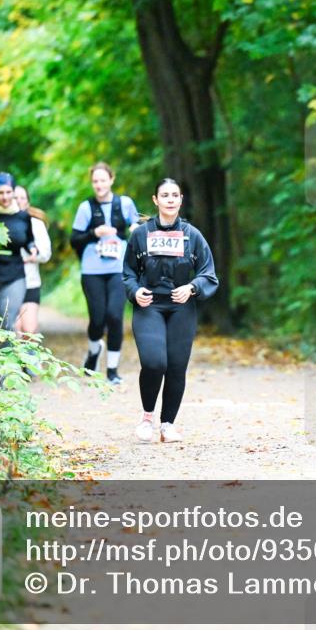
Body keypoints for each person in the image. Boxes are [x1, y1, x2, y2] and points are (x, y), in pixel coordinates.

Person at [122, 177, 218, 443]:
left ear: (181, 200)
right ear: (156, 200)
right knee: (155, 362)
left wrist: (192, 288)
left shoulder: (192, 235)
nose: (170, 200)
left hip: (181, 307)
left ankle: (167, 425)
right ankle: (147, 418)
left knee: (176, 366)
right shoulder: (140, 234)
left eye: (175, 195)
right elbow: (128, 273)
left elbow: (209, 274)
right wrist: (135, 291)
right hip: (149, 305)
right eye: (165, 195)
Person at [69, 162, 139, 384]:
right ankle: (93, 352)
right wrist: (94, 233)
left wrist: (134, 228)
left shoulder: (125, 203)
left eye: (102, 180)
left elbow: (138, 225)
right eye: (95, 181)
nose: (99, 185)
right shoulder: (86, 208)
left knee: (115, 316)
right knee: (97, 319)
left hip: (119, 268)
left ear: (111, 180)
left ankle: (112, 371)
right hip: (92, 270)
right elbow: (74, 239)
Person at [0, 172, 36, 334]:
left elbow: (29, 240)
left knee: (6, 322)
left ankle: (7, 351)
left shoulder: (23, 216)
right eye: (1, 193)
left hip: (14, 275)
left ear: (13, 192)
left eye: (8, 192)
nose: (5, 197)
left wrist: (33, 249)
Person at [14, 185, 51, 338]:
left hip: (30, 282)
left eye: (22, 198)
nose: (18, 201)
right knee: (14, 329)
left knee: (29, 330)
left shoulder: (36, 224)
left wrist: (33, 256)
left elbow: (46, 253)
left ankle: (31, 354)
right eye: (15, 197)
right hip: (6, 281)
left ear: (27, 202)